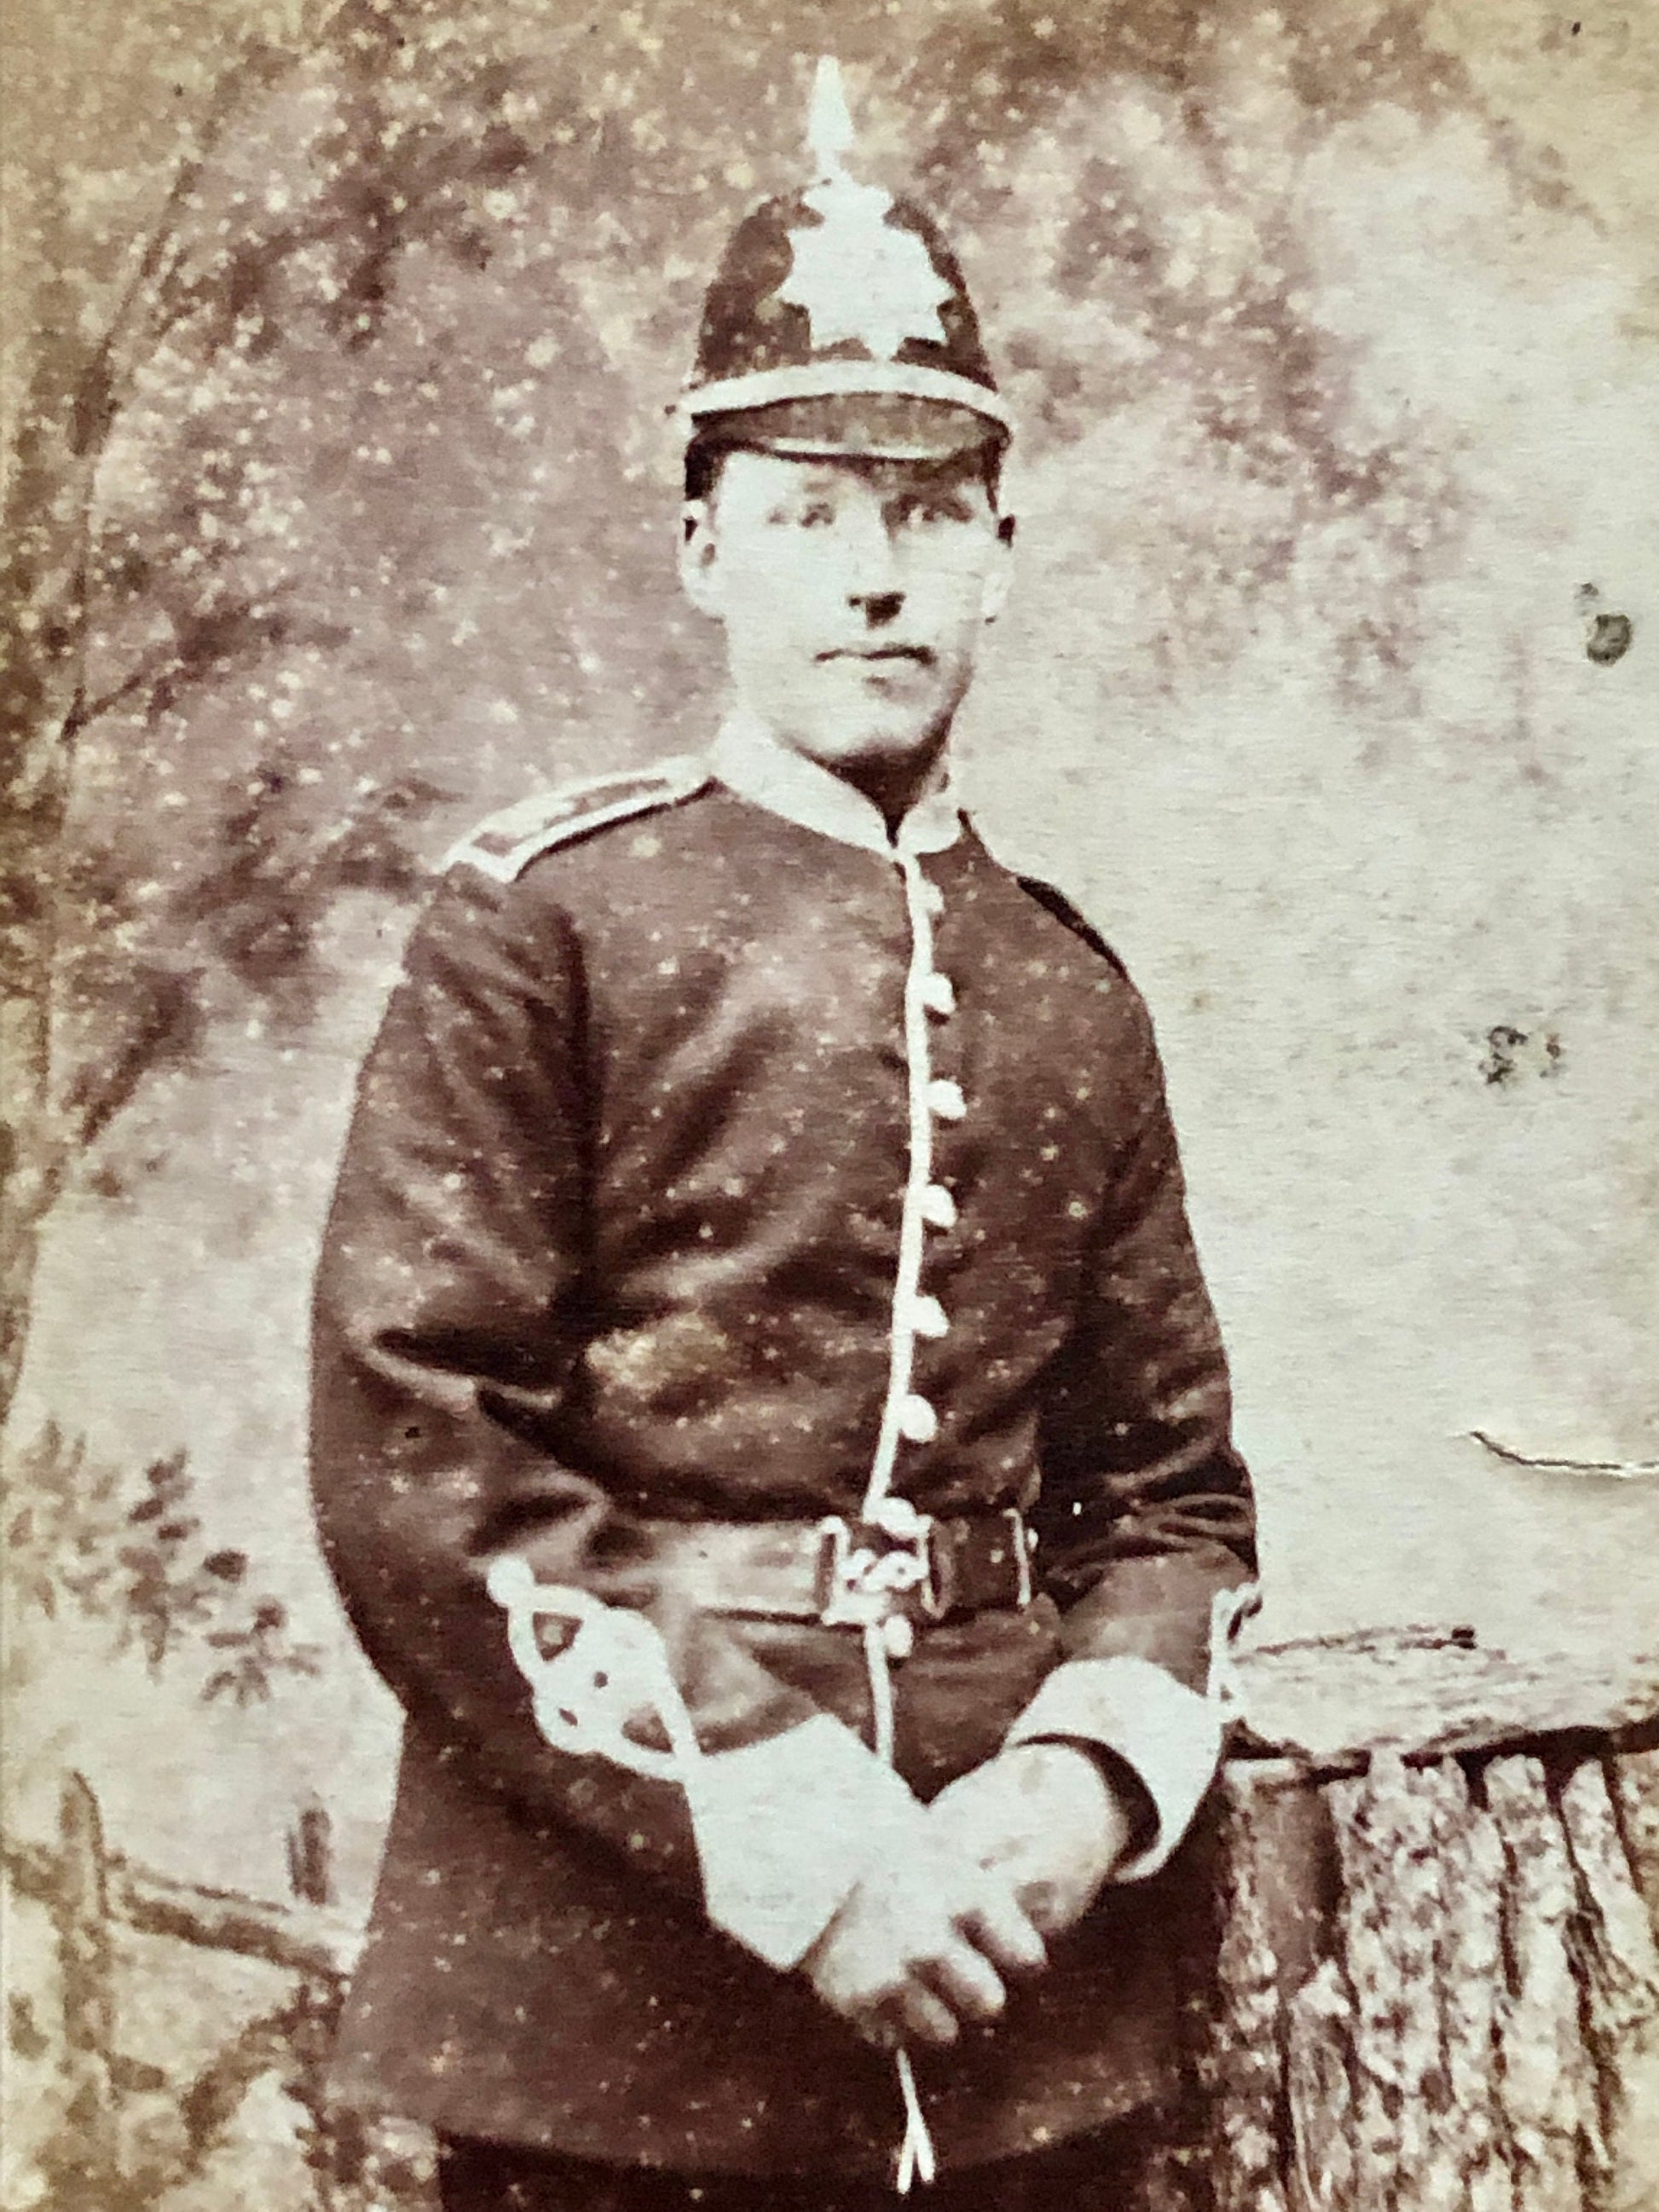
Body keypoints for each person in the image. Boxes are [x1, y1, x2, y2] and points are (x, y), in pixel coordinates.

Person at [309, 60, 1257, 2212]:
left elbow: (1178, 1497)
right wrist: (798, 1835)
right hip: (618, 2005)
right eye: (809, 510)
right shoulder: (545, 919)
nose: (872, 577)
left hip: (1029, 2012)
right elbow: (419, 1455)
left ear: (1002, 553)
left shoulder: (1066, 984)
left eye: (927, 509)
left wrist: (1086, 1782)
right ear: (700, 542)